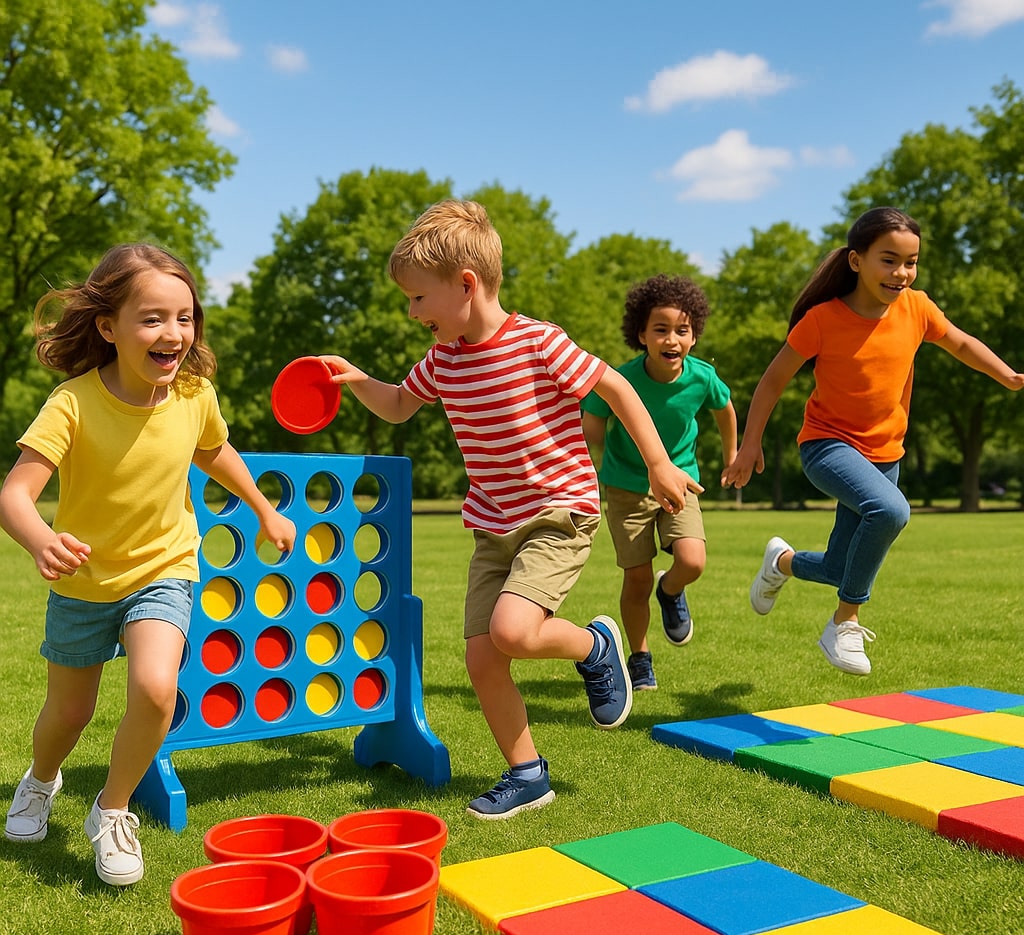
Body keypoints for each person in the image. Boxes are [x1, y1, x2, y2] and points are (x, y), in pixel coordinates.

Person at [322, 199, 695, 821]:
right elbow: (395, 405)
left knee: (513, 632)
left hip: (558, 511)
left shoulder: (538, 341)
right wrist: (357, 379)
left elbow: (617, 387)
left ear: (465, 285)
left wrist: (658, 462)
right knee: (482, 657)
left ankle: (595, 647)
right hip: (492, 526)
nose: (411, 312)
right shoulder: (444, 361)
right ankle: (527, 773)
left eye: (417, 299)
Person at [1, 243, 296, 885]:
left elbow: (215, 452)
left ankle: (111, 810)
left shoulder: (194, 394)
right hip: (83, 581)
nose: (174, 334)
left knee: (157, 690)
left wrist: (263, 508)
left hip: (165, 568)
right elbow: (14, 495)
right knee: (68, 714)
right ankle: (41, 781)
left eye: (185, 317)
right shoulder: (72, 402)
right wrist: (39, 538)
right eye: (153, 318)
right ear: (108, 328)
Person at [723, 207, 1023, 675]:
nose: (902, 272)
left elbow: (961, 343)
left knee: (842, 567)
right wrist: (750, 444)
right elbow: (772, 381)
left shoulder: (917, 308)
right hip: (827, 446)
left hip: (885, 454)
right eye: (889, 260)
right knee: (893, 510)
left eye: (911, 261)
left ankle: (780, 562)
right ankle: (844, 623)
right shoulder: (823, 319)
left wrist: (1007, 375)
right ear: (857, 261)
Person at [582, 275, 736, 691]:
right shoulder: (622, 377)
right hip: (626, 487)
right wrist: (598, 450)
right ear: (642, 335)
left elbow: (725, 409)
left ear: (694, 336)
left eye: (682, 330)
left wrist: (732, 455)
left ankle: (671, 592)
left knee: (692, 561)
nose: (672, 339)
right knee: (637, 579)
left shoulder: (701, 378)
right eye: (661, 329)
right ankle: (640, 657)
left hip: (679, 481)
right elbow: (592, 416)